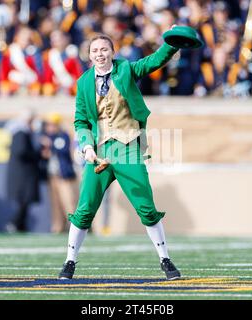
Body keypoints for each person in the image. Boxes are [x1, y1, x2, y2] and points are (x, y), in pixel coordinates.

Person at [58, 31, 182, 281]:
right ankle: (69, 261)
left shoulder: (125, 69)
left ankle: (165, 259)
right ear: (89, 56)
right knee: (84, 209)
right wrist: (87, 146)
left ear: (112, 53)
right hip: (100, 150)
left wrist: (172, 43)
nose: (100, 54)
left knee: (146, 207)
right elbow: (81, 120)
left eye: (104, 49)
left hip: (128, 147)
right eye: (95, 51)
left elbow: (153, 61)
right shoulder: (83, 82)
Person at [5, 111, 51, 232]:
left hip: (25, 174)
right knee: (24, 201)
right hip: (23, 175)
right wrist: (39, 154)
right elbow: (22, 152)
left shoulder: (24, 133)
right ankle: (14, 223)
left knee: (26, 201)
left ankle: (21, 225)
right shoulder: (20, 133)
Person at [42, 113, 79, 233]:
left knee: (69, 202)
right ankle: (57, 228)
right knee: (55, 204)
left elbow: (62, 150)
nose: (49, 127)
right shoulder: (48, 136)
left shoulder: (63, 135)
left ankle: (75, 226)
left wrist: (50, 145)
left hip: (64, 176)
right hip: (52, 176)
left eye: (52, 125)